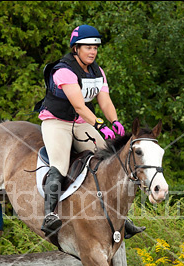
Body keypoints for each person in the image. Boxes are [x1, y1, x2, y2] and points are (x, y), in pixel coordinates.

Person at [36, 24, 145, 238]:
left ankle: (120, 216)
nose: (93, 52)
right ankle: (50, 215)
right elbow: (79, 105)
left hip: (81, 123)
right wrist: (99, 125)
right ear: (76, 48)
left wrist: (114, 122)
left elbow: (104, 100)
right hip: (57, 122)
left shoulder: (97, 71)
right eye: (87, 47)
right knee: (59, 163)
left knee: (111, 159)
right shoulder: (64, 71)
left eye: (95, 48)